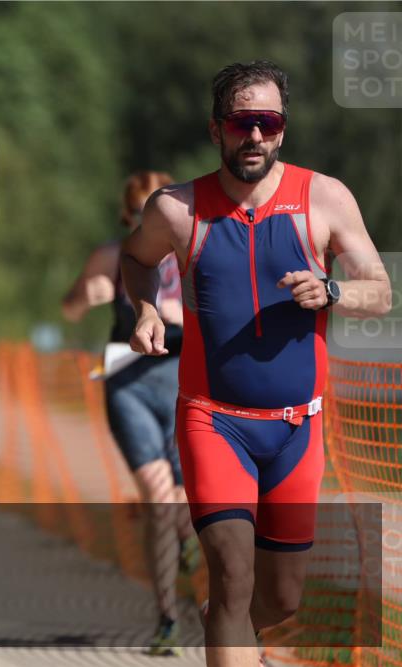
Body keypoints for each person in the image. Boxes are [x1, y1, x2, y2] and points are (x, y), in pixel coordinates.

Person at [120, 61, 391, 667]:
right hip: (214, 421)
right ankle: (228, 621)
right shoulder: (176, 209)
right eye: (242, 123)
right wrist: (144, 310)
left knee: (280, 598)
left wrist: (335, 292)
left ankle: (232, 627)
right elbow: (137, 261)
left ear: (282, 130)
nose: (256, 136)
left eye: (268, 123)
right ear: (217, 129)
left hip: (299, 428)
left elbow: (379, 287)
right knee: (233, 575)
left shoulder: (323, 198)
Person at [63, 170, 199, 656]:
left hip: (186, 381)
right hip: (129, 381)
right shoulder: (112, 255)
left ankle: (190, 558)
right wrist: (89, 294)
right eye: (144, 211)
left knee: (182, 503)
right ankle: (166, 618)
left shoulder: (192, 250)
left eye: (163, 210)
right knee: (159, 499)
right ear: (129, 215)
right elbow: (71, 307)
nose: (155, 219)